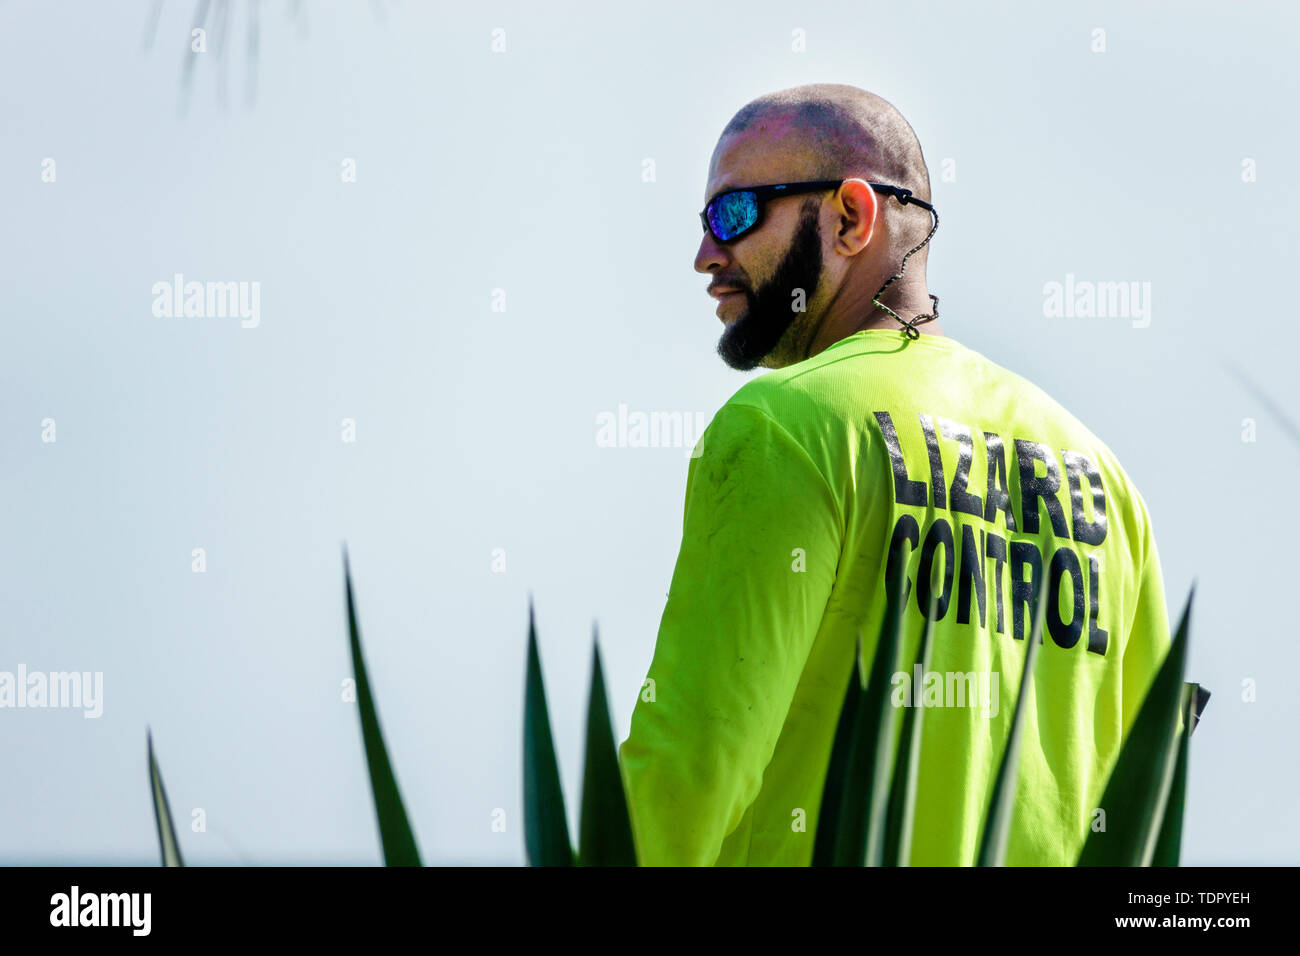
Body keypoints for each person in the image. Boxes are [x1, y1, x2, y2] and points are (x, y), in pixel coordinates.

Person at [616, 83, 1173, 866]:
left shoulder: (782, 425)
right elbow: (1146, 808)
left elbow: (691, 765)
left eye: (733, 214)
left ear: (850, 217)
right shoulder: (1108, 486)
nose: (708, 256)